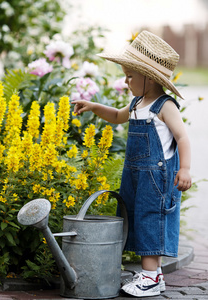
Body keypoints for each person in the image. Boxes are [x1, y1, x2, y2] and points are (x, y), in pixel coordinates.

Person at [72, 30, 192, 298]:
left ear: (149, 78)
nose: (125, 81)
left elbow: (182, 137)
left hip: (157, 178)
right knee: (135, 218)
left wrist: (184, 169)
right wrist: (93, 106)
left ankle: (149, 276)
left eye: (130, 76)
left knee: (151, 219)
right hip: (136, 175)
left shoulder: (164, 105)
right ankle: (155, 275)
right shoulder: (138, 102)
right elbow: (116, 116)